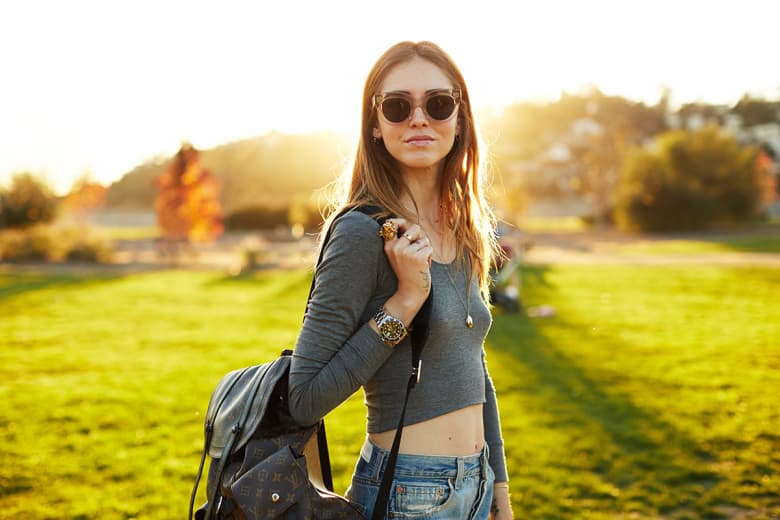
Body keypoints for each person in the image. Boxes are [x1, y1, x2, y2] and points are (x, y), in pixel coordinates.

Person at [288, 40, 512, 519]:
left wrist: (499, 488)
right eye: (396, 106)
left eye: (437, 103)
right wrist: (405, 303)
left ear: (460, 117)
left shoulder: (463, 227)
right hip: (408, 493)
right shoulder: (360, 232)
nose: (418, 118)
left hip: (476, 485)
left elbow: (475, 365)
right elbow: (303, 399)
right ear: (374, 124)